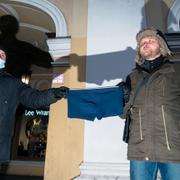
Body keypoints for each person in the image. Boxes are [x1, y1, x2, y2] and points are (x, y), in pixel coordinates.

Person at [120, 27, 180, 180]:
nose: (145, 44)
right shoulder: (132, 78)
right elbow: (122, 112)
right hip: (140, 148)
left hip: (173, 147)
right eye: (142, 43)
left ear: (161, 45)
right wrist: (122, 96)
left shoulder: (176, 71)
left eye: (151, 41)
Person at [0, 48, 68, 163]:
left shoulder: (11, 83)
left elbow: (33, 98)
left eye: (3, 53)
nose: (2, 55)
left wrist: (54, 94)